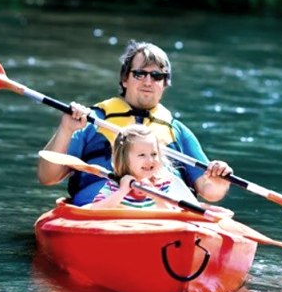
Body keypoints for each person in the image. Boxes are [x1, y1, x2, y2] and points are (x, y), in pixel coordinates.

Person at [37, 39, 233, 205]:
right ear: (124, 79)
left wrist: (219, 180)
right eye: (140, 74)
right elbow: (48, 177)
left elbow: (209, 192)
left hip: (164, 213)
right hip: (101, 209)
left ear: (164, 84)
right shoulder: (91, 121)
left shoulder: (177, 131)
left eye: (157, 76)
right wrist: (65, 129)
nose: (148, 82)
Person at [89, 125, 182, 209]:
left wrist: (155, 195)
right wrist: (122, 191)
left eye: (154, 154)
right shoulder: (114, 186)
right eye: (142, 155)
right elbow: (94, 210)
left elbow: (173, 213)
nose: (150, 160)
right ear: (124, 159)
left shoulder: (163, 184)